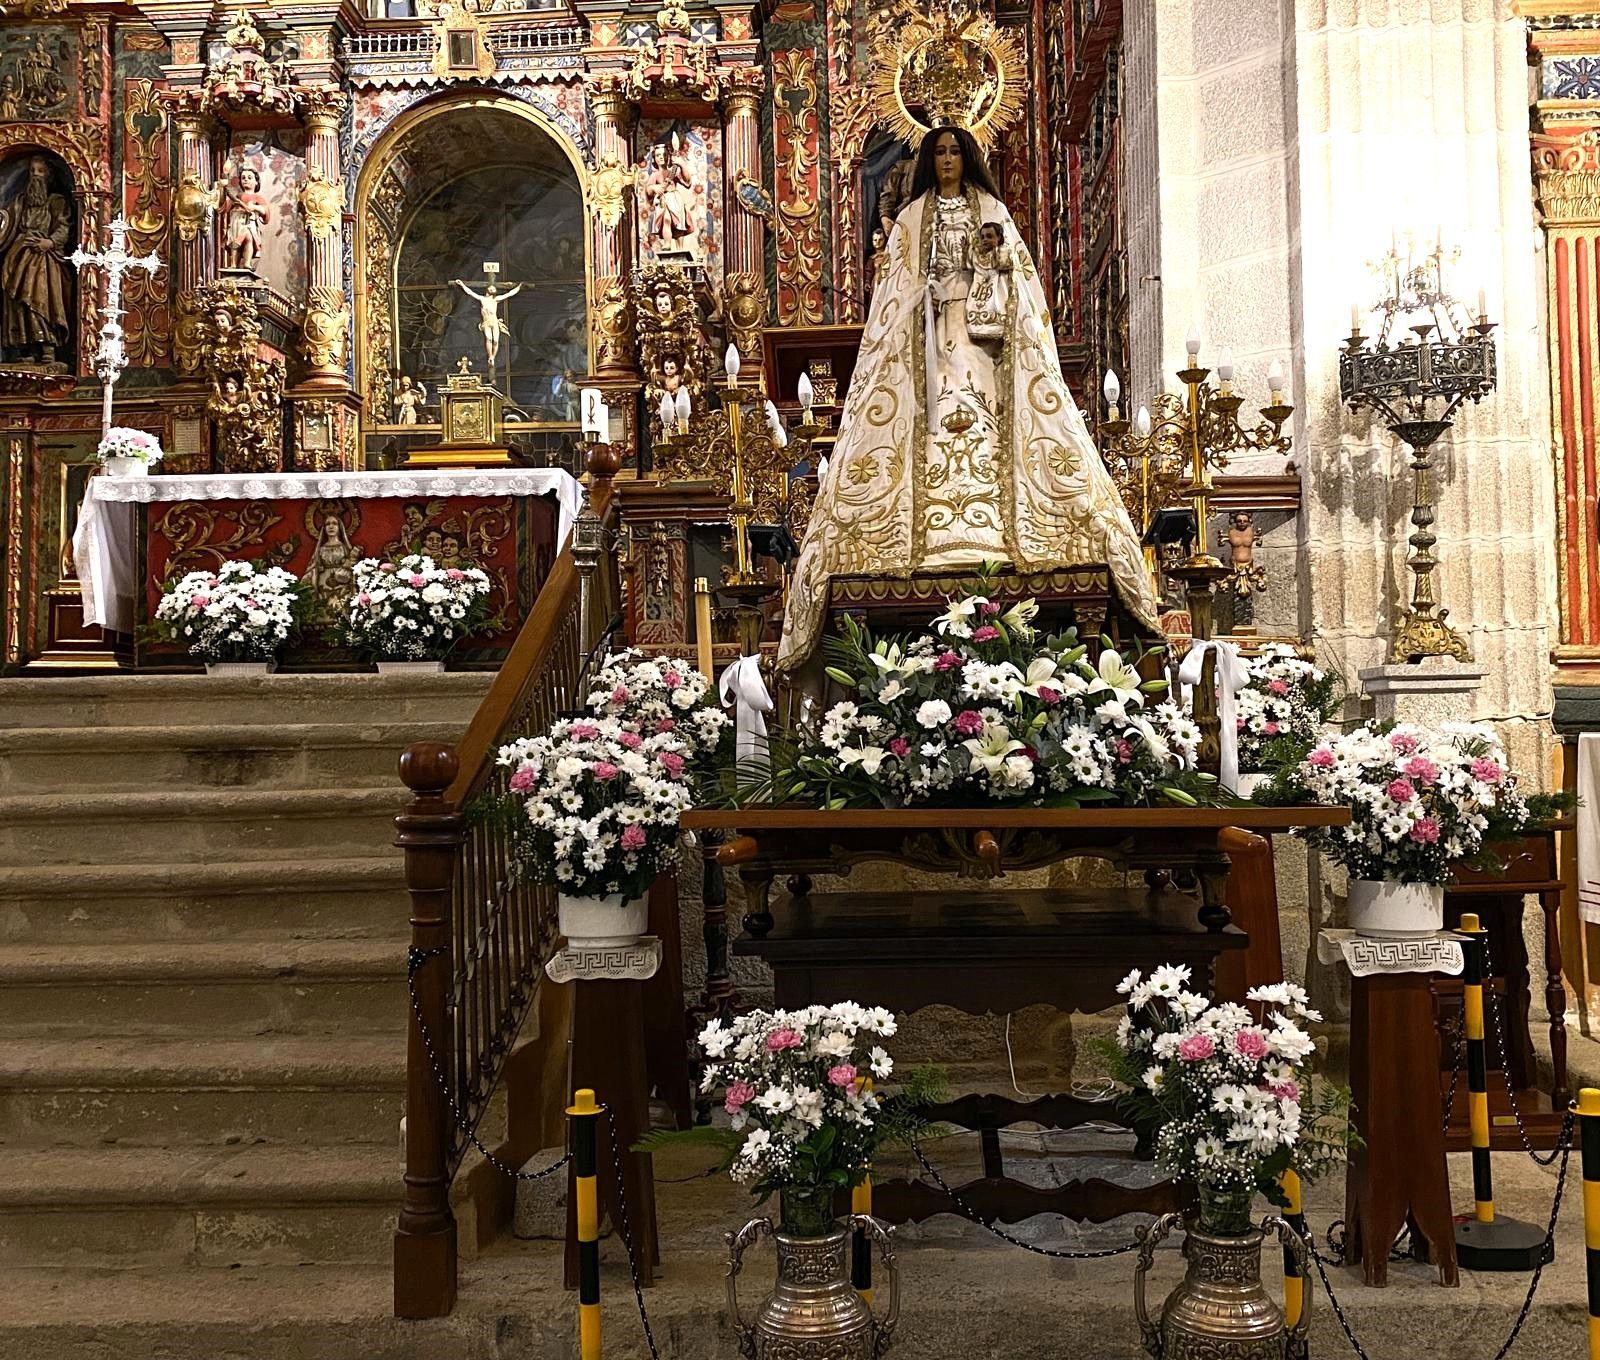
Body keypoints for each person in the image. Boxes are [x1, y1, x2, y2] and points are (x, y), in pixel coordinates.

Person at [776, 125, 1158, 672]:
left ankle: (996, 521)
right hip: (927, 338)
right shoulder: (910, 219)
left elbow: (1021, 280)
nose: (949, 160)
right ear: (928, 161)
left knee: (983, 410)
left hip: (985, 340)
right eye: (940, 152)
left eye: (957, 151)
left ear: (969, 158)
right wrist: (922, 298)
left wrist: (991, 265)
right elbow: (892, 290)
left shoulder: (993, 210)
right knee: (930, 415)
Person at [0, 157, 72, 365]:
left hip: (43, 258)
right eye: (32, 170)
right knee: (18, 301)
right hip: (18, 255)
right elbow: (7, 223)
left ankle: (47, 348)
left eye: (40, 171)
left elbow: (63, 227)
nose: (35, 175)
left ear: (48, 175)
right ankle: (27, 349)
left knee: (41, 299)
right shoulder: (20, 202)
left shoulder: (56, 201)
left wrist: (50, 241)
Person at [221, 166, 269, 273]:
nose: (246, 179)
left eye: (249, 177)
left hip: (249, 222)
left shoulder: (257, 198)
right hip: (237, 222)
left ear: (256, 182)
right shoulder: (238, 196)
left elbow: (266, 212)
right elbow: (226, 207)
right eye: (243, 178)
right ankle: (233, 264)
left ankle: (247, 263)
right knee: (235, 242)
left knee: (248, 239)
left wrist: (255, 208)